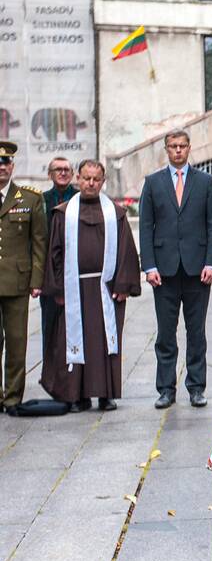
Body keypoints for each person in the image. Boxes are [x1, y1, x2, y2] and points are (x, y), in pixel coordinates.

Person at [41, 160, 141, 412]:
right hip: (74, 289)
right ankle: (76, 395)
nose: (91, 183)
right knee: (74, 341)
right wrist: (59, 289)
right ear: (78, 178)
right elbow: (54, 253)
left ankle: (106, 395)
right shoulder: (63, 214)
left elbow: (126, 252)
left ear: (103, 181)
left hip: (106, 289)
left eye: (96, 179)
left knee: (105, 342)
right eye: (86, 178)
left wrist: (123, 284)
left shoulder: (115, 214)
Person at [139, 129, 212, 409]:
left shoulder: (205, 182)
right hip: (164, 271)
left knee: (196, 333)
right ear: (166, 149)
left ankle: (197, 388)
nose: (178, 151)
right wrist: (148, 266)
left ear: (189, 148)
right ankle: (165, 389)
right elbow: (145, 227)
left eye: (182, 146)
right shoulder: (152, 183)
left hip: (198, 270)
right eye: (173, 146)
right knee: (165, 334)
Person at [0, 141, 47, 414]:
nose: (1, 168)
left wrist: (36, 281)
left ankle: (13, 398)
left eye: (5, 163)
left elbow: (39, 242)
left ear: (12, 166)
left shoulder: (30, 198)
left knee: (17, 342)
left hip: (17, 282)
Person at [40, 157, 77, 357]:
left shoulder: (81, 198)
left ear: (72, 173)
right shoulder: (41, 200)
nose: (63, 173)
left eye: (66, 169)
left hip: (77, 269)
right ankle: (50, 367)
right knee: (50, 322)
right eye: (58, 169)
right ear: (50, 174)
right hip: (49, 272)